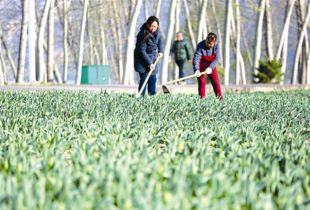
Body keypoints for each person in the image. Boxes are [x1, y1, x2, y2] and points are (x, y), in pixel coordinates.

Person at [134, 16, 163, 96]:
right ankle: (141, 98)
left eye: (155, 26)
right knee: (144, 79)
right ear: (147, 25)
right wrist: (149, 63)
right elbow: (142, 50)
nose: (153, 28)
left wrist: (160, 51)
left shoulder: (158, 32)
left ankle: (152, 96)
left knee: (153, 79)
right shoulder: (142, 34)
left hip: (153, 58)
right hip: (141, 59)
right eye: (151, 26)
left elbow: (160, 41)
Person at [193, 32, 223, 100]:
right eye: (207, 42)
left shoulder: (216, 46)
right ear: (206, 39)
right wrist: (196, 69)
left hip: (211, 65)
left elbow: (216, 59)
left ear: (214, 43)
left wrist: (210, 67)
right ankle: (202, 99)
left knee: (215, 82)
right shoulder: (200, 45)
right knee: (202, 81)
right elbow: (196, 58)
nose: (208, 44)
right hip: (200, 64)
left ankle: (220, 99)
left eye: (211, 44)